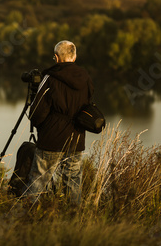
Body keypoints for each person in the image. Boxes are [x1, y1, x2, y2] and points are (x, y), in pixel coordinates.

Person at [25, 40, 94, 205]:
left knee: (38, 179)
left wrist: (41, 127)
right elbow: (90, 105)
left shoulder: (50, 78)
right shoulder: (86, 78)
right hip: (77, 138)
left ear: (56, 57)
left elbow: (37, 112)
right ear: (75, 56)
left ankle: (27, 216)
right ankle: (73, 218)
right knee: (73, 181)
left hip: (51, 138)